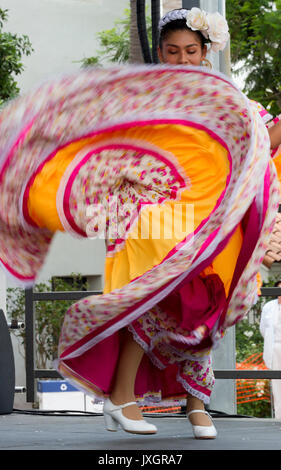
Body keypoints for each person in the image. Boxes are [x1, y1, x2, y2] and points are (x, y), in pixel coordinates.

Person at [0, 8, 278, 442]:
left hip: (210, 219)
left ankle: (194, 403)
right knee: (156, 296)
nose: (183, 59)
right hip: (154, 214)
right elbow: (121, 145)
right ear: (161, 55)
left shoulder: (229, 100)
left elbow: (262, 137)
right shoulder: (152, 98)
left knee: (203, 308)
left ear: (206, 53)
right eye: (172, 51)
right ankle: (124, 395)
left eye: (191, 51)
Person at [260, 280, 281, 419]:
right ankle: (279, 416)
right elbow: (263, 328)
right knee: (277, 385)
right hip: (274, 347)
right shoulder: (269, 306)